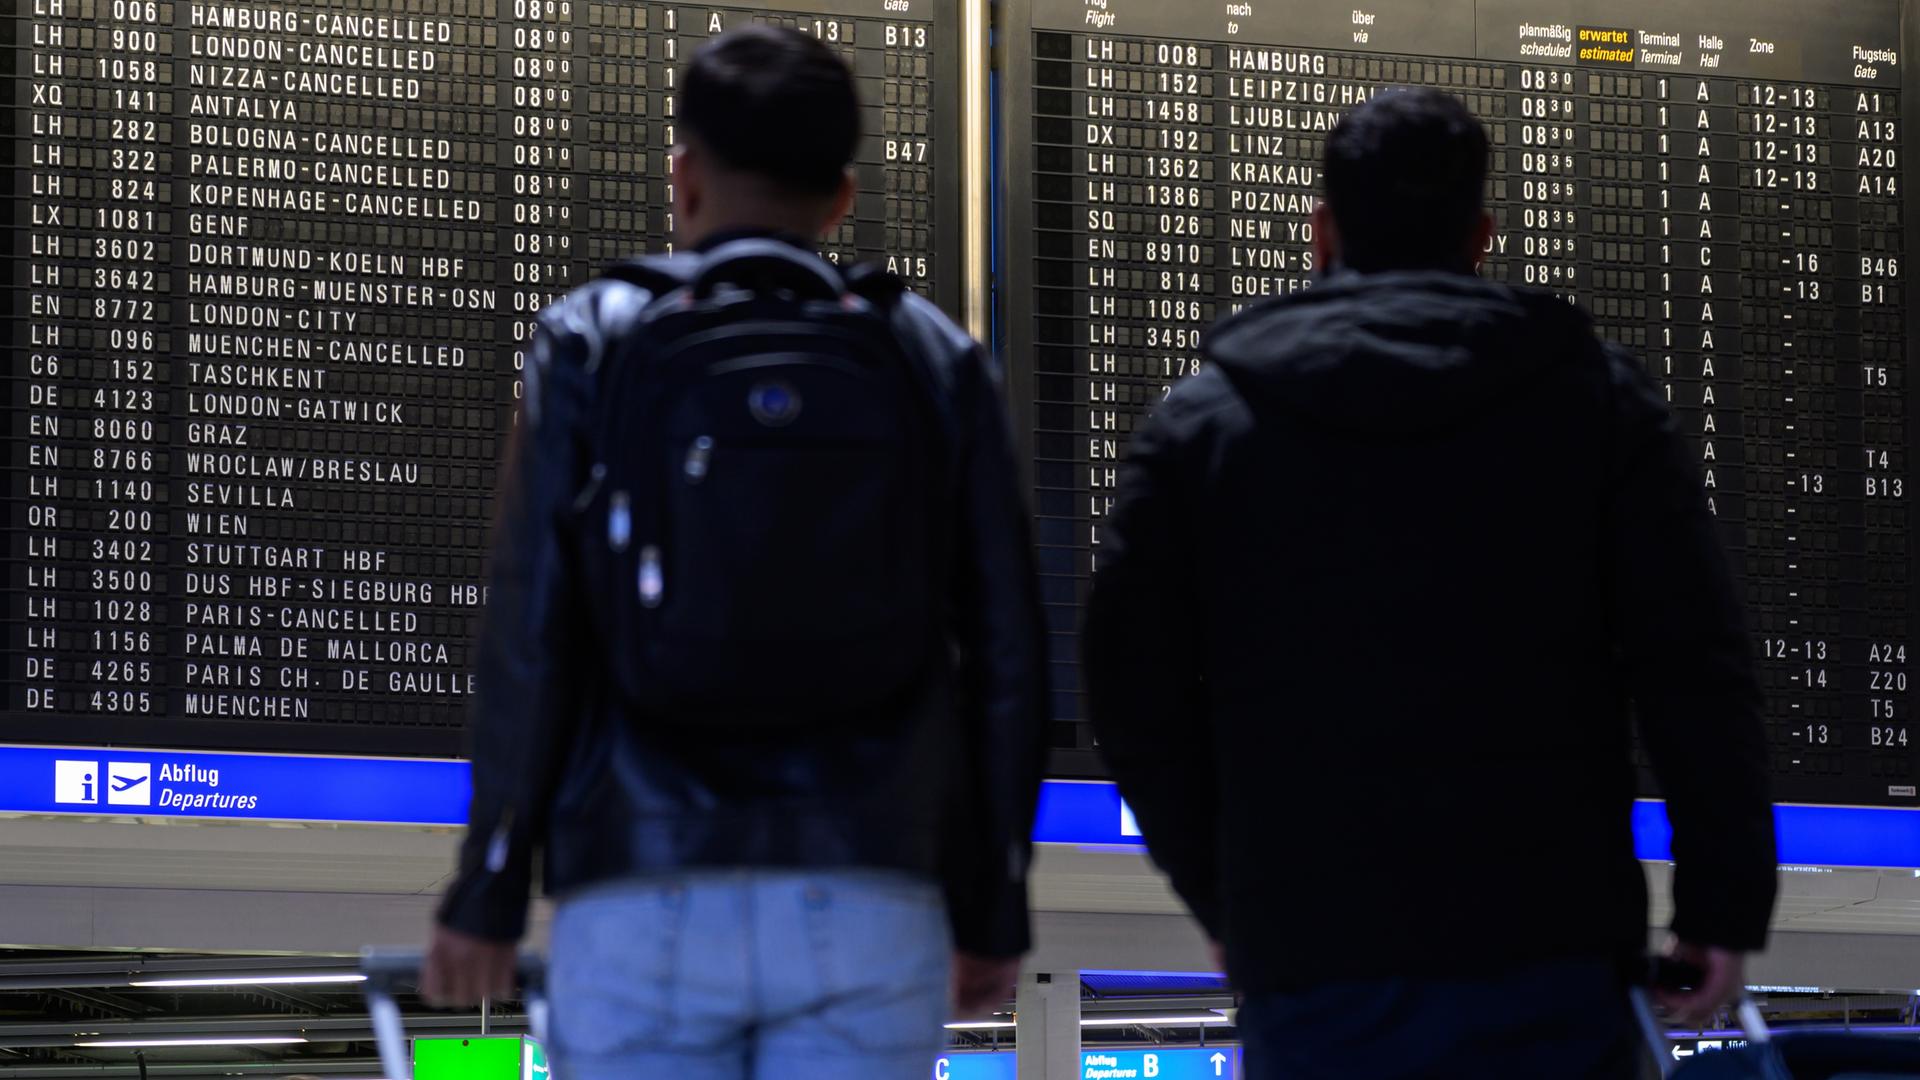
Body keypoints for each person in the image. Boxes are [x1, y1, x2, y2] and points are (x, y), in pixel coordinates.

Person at [1082, 88, 1777, 1079]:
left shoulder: (1206, 423)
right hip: (1551, 948)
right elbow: (1697, 670)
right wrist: (1722, 905)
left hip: (1316, 950)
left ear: (1322, 232)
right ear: (1481, 234)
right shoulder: (1598, 405)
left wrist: (1223, 893)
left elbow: (1132, 690)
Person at [422, 26, 1049, 1079]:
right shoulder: (933, 354)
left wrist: (487, 887)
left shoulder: (592, 336)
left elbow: (532, 633)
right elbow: (1007, 653)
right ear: (843, 197)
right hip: (870, 892)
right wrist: (993, 902)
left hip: (637, 889)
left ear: (685, 178)